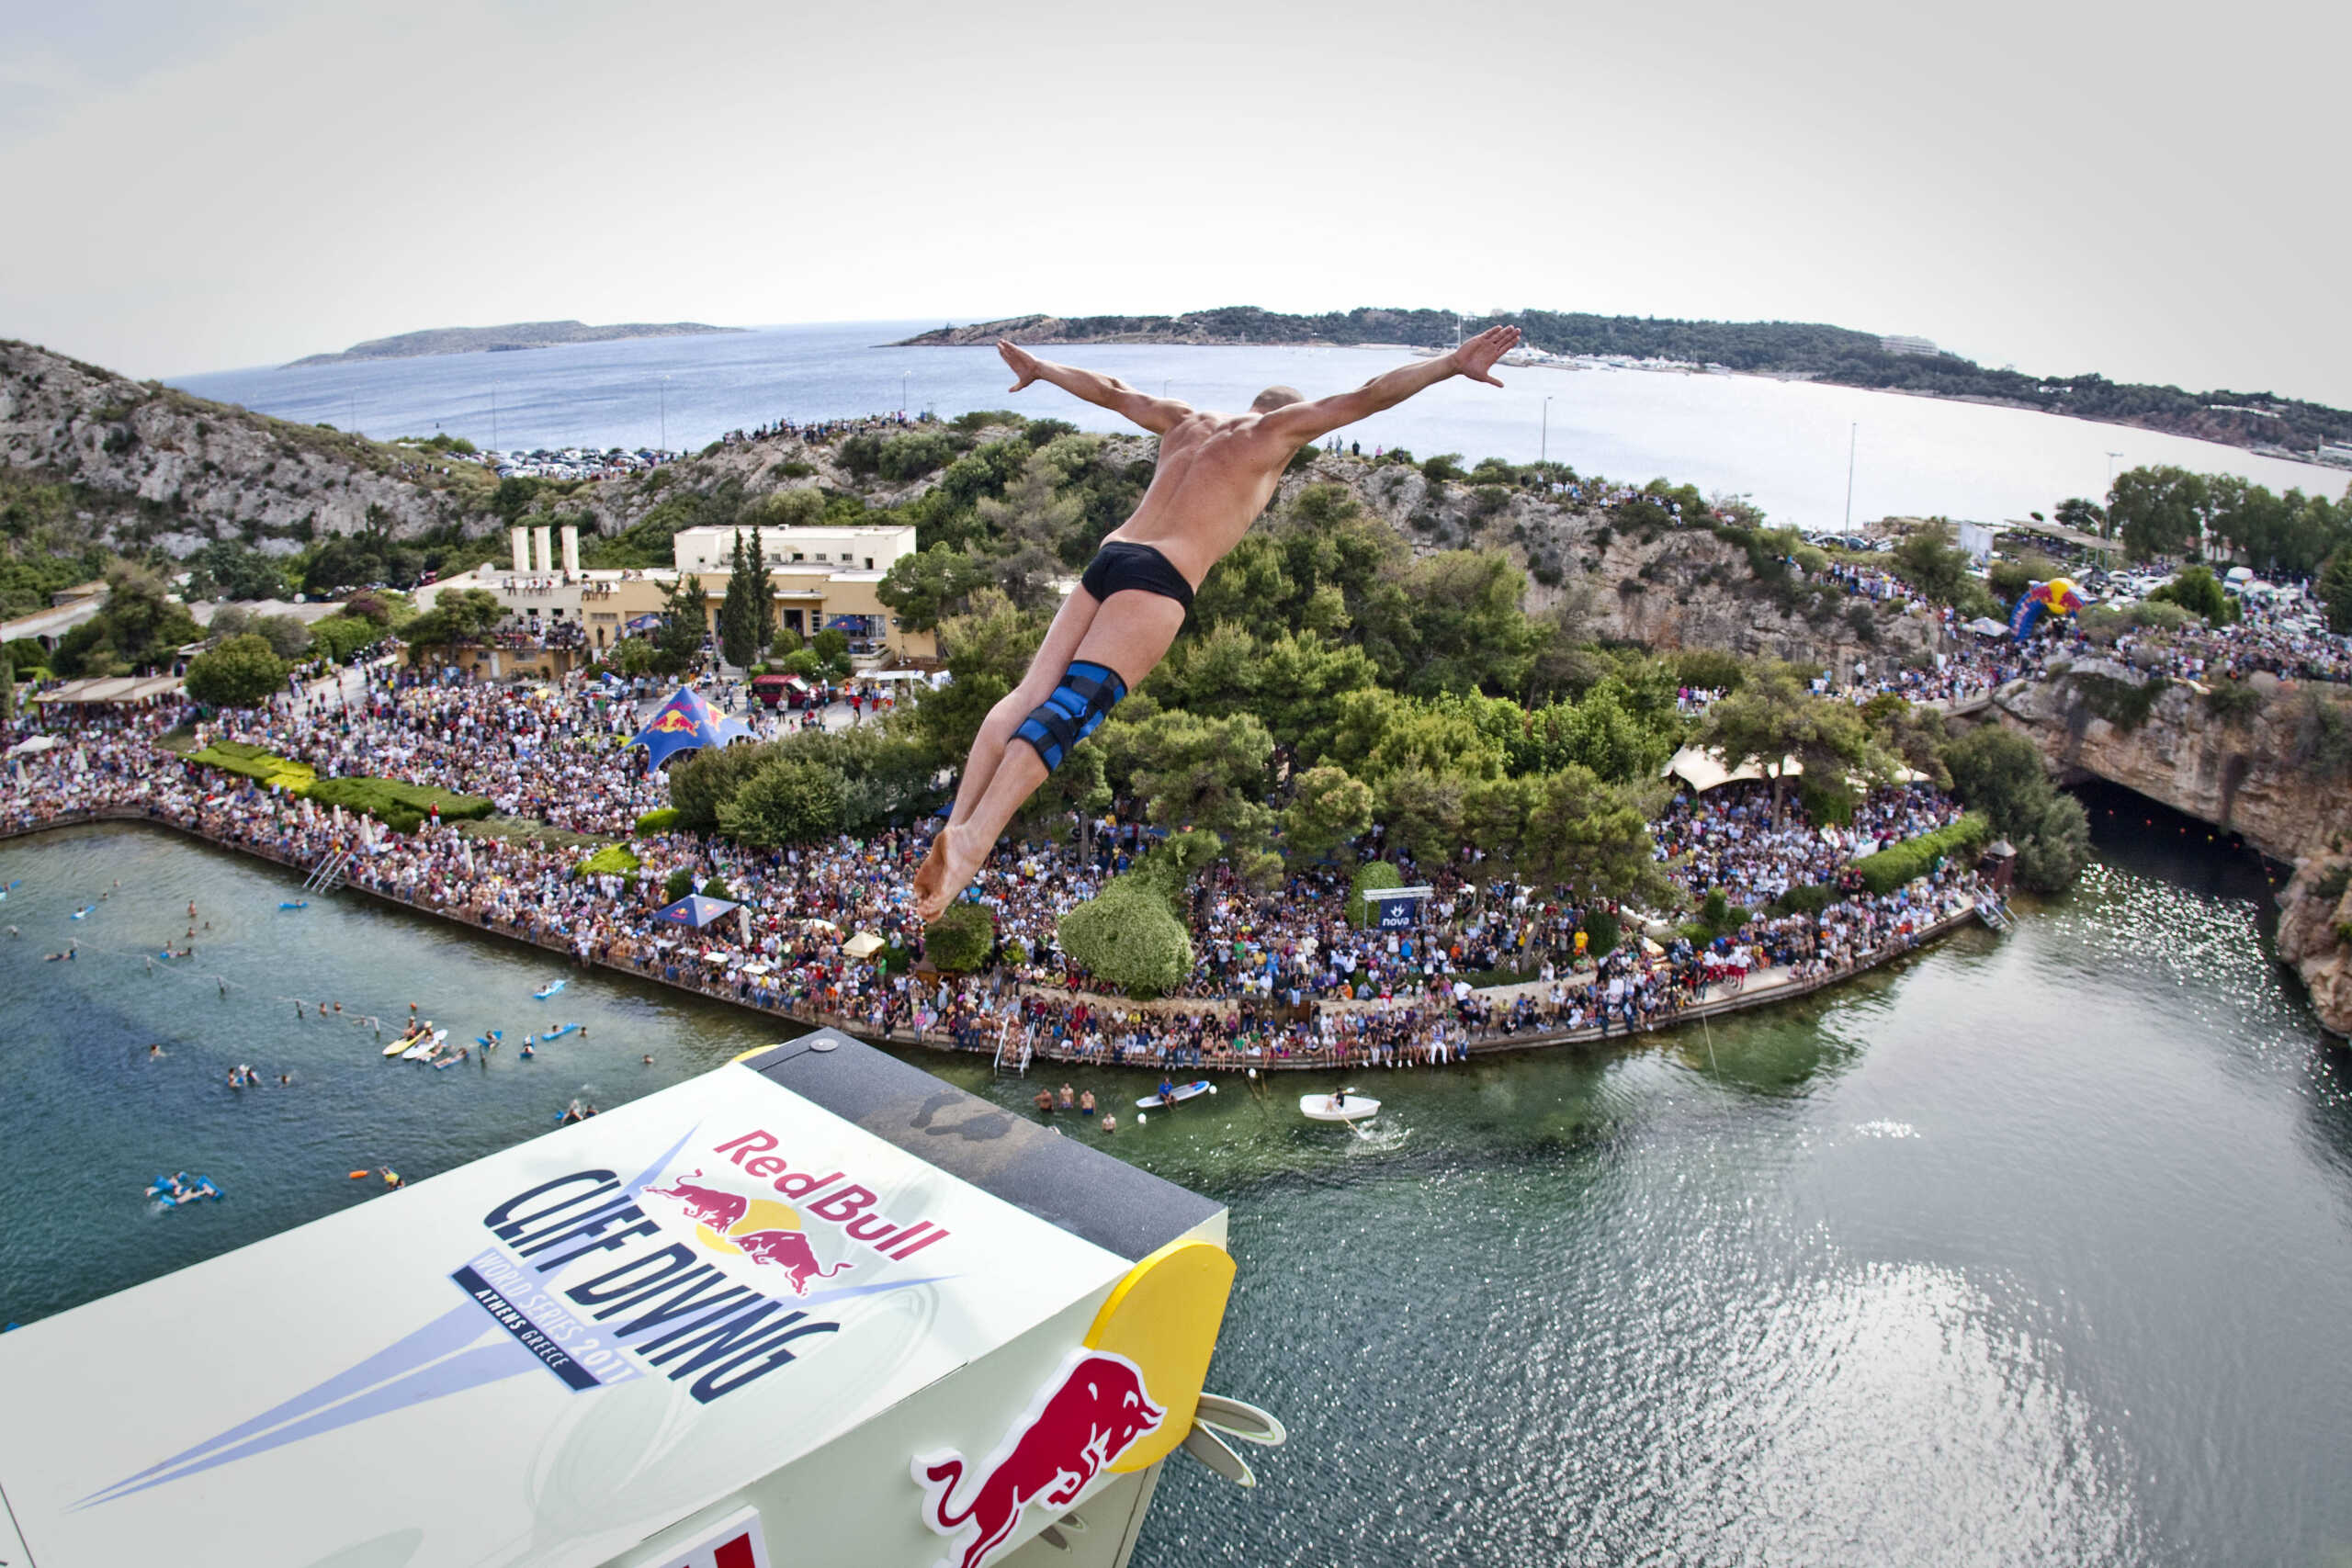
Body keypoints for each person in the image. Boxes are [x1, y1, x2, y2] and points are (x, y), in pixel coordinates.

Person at [912, 326, 1521, 922]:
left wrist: (1043, 369)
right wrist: (1449, 364)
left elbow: (1114, 390)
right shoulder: (1276, 433)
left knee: (1026, 696)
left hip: (1110, 554)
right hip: (1158, 576)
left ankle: (960, 822)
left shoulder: (1185, 422)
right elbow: (1365, 395)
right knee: (1073, 707)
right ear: (1291, 421)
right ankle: (973, 842)